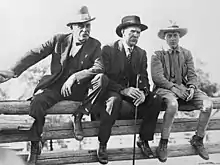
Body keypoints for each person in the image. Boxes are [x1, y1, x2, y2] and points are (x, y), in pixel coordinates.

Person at [0, 6, 107, 165]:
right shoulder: (59, 40)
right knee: (37, 103)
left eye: (88, 26)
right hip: (55, 88)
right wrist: (13, 71)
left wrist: (75, 76)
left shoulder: (95, 45)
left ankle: (78, 115)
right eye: (81, 26)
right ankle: (35, 144)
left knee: (101, 79)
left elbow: (99, 68)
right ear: (71, 27)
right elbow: (35, 53)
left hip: (78, 91)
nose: (85, 30)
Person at [96, 15, 162, 164]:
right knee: (114, 100)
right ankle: (102, 144)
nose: (136, 35)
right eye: (132, 31)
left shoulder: (141, 53)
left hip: (132, 98)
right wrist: (123, 90)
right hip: (112, 94)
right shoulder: (108, 49)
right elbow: (102, 78)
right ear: (123, 32)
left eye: (138, 33)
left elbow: (144, 78)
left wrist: (144, 93)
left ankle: (144, 140)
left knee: (156, 99)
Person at [151, 21, 213, 162]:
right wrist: (173, 88)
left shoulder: (186, 53)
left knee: (208, 104)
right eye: (169, 35)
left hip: (184, 87)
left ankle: (198, 139)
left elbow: (192, 75)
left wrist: (191, 87)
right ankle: (163, 143)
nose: (173, 38)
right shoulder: (157, 54)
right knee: (172, 105)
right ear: (164, 38)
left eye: (175, 35)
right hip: (165, 89)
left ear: (179, 37)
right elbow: (157, 78)